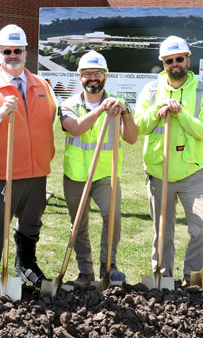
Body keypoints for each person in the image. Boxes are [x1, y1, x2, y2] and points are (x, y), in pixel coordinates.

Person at [0, 24, 57, 291]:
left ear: (26, 53)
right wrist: (1, 114)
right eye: (7, 51)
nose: (12, 55)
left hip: (36, 171)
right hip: (0, 173)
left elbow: (49, 119)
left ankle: (26, 265)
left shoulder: (42, 84)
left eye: (18, 50)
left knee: (31, 222)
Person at [134, 35, 203, 284]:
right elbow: (138, 127)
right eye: (169, 60)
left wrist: (181, 115)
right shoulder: (150, 90)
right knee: (163, 232)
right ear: (163, 63)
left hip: (193, 173)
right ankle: (163, 279)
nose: (174, 64)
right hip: (160, 172)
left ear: (188, 60)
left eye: (179, 59)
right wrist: (156, 110)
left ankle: (192, 278)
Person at [59, 50, 138, 285]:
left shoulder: (118, 105)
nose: (92, 78)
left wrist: (124, 112)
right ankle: (85, 272)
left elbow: (132, 138)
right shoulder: (68, 104)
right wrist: (101, 109)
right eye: (87, 74)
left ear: (105, 76)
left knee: (112, 216)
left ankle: (109, 266)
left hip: (106, 174)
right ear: (80, 77)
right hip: (75, 175)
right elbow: (74, 128)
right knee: (79, 224)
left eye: (97, 73)